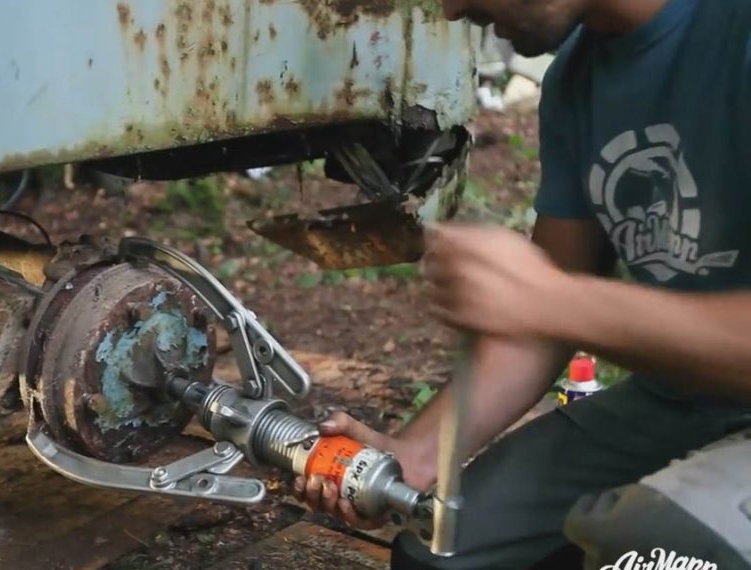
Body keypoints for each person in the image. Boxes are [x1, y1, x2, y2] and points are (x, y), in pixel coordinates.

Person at [293, 0, 751, 568]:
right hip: (680, 399)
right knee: (441, 549)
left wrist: (553, 300)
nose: (452, 8)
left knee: (660, 544)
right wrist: (415, 453)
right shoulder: (578, 81)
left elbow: (551, 303)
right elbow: (541, 324)